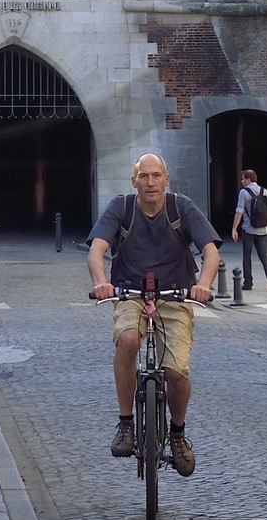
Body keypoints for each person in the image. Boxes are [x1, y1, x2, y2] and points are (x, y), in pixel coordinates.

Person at [87, 153, 220, 477]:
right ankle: (126, 423)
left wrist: (203, 285)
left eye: (156, 175)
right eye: (144, 176)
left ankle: (177, 433)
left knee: (176, 371)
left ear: (166, 179)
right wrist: (102, 282)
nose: (150, 182)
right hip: (130, 292)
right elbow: (97, 249)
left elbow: (211, 251)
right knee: (128, 339)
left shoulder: (181, 207)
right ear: (134, 181)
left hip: (174, 295)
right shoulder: (121, 207)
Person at [230, 167, 267, 293]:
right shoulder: (264, 191)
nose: (241, 181)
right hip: (263, 230)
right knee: (264, 256)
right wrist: (263, 220)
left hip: (248, 229)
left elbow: (239, 211)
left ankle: (248, 283)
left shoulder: (243, 193)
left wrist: (234, 228)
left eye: (243, 179)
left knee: (247, 256)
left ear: (248, 179)